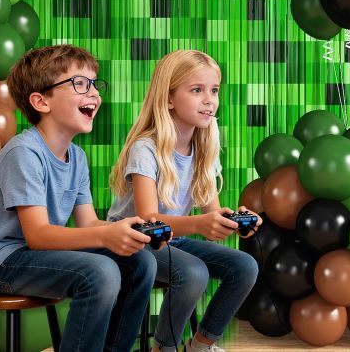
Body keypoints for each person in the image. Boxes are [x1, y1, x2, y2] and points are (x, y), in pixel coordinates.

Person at [0, 44, 157, 352]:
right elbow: (38, 235)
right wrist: (106, 236)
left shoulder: (77, 157)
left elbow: (88, 223)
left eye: (94, 83)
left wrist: (126, 232)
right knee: (100, 272)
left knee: (140, 262)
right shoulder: (24, 153)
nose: (94, 93)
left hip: (35, 255)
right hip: (0, 262)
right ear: (41, 101)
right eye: (80, 83)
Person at [108, 50, 261, 352]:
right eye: (197, 90)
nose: (209, 100)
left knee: (245, 266)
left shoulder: (205, 150)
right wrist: (202, 223)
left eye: (214, 90)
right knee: (193, 272)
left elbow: (211, 216)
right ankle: (163, 348)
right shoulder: (146, 149)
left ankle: (200, 346)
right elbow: (149, 223)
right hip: (132, 242)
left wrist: (233, 221)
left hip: (173, 241)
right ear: (168, 99)